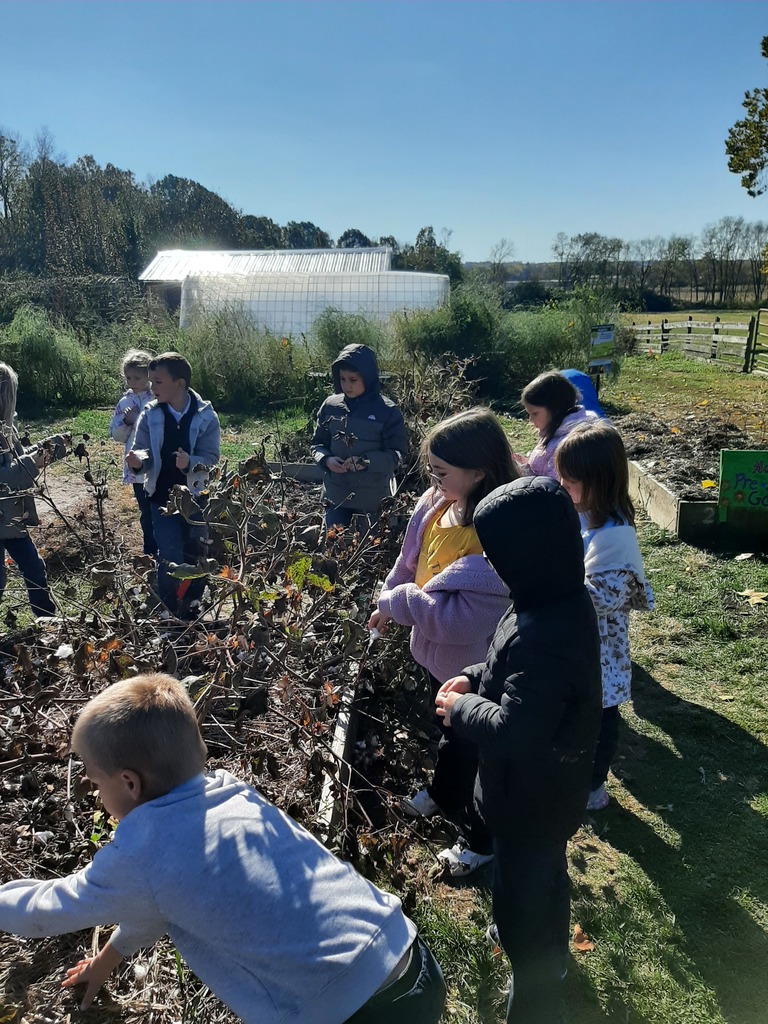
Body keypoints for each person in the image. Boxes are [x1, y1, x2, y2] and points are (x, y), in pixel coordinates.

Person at [0, 674, 446, 1024]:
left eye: (96, 783)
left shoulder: (141, 853)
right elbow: (157, 904)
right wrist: (106, 960)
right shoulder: (232, 793)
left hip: (353, 1011)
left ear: (129, 784)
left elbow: (46, 910)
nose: (96, 795)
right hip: (409, 957)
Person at [434, 477, 602, 1024]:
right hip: (539, 793)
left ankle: (533, 984)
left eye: (498, 554)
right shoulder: (547, 600)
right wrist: (471, 675)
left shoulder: (545, 632)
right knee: (540, 874)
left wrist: (460, 711)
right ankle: (544, 945)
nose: (495, 565)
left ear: (522, 558)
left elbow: (514, 727)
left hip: (532, 795)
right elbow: (508, 672)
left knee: (521, 891)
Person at [368, 407, 518, 876]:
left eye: (441, 471)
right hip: (437, 655)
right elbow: (408, 563)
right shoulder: (435, 506)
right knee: (451, 734)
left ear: (479, 472)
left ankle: (479, 837)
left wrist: (400, 604)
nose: (432, 479)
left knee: (475, 748)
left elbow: (459, 623)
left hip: (475, 663)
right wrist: (387, 597)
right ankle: (444, 792)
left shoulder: (494, 536)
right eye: (429, 468)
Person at [555, 420, 654, 811]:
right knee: (580, 713)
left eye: (570, 480)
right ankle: (574, 773)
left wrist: (557, 578)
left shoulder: (616, 536)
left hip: (603, 651)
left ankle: (593, 785)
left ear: (599, 481)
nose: (563, 487)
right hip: (581, 643)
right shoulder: (587, 512)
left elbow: (603, 598)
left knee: (601, 718)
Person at [126, 353, 220, 617]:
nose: (152, 388)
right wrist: (137, 462)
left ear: (179, 384)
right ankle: (166, 608)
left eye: (157, 382)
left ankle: (192, 604)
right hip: (162, 498)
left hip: (196, 499)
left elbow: (211, 457)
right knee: (169, 556)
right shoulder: (151, 414)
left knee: (196, 553)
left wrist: (190, 462)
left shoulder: (205, 416)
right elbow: (142, 452)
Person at [311, 344, 407, 531]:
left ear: (368, 378)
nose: (347, 385)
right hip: (336, 493)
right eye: (343, 379)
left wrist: (366, 462)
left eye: (353, 380)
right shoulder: (331, 406)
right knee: (335, 548)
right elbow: (317, 444)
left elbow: (397, 454)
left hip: (373, 497)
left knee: (368, 550)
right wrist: (326, 459)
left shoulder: (387, 411)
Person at [0, 362, 68, 618]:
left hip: (10, 519)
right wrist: (33, 462)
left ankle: (47, 622)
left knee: (34, 567)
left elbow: (17, 460)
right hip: (4, 516)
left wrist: (47, 449)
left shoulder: (6, 430)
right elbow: (3, 477)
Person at [109, 349, 156, 557]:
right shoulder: (124, 402)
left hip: (156, 461)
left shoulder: (157, 397)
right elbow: (116, 434)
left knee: (159, 507)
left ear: (149, 376)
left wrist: (138, 418)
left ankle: (165, 545)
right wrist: (127, 422)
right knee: (145, 510)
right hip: (135, 464)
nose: (132, 382)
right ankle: (150, 549)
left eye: (137, 377)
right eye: (128, 377)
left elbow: (157, 425)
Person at [516, 370, 597, 479]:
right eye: (528, 413)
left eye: (535, 413)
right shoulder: (553, 431)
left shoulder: (568, 445)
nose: (530, 419)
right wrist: (525, 465)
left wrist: (523, 474)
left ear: (555, 409)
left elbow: (553, 488)